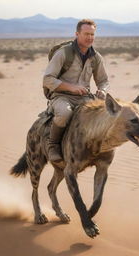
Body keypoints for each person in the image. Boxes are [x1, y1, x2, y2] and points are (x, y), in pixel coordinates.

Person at [43, 19, 109, 162]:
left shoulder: (96, 57)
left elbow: (103, 81)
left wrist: (102, 90)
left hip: (84, 98)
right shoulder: (63, 53)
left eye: (92, 34)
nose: (90, 37)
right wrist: (71, 87)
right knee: (65, 113)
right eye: (86, 34)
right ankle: (53, 145)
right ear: (77, 34)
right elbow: (47, 79)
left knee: (103, 114)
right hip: (61, 96)